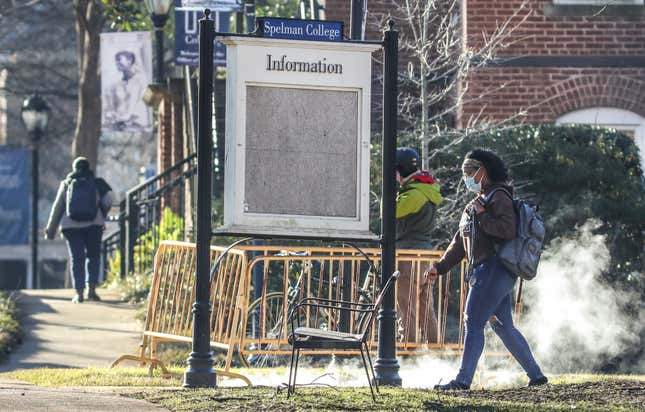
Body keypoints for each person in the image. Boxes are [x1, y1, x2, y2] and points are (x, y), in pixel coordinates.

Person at [427, 149, 547, 390]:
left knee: (472, 322)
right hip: (490, 271)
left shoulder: (498, 197)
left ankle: (462, 382)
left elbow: (507, 230)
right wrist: (439, 268)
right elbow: (460, 242)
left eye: (471, 171)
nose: (467, 177)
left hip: (492, 269)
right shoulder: (478, 201)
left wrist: (481, 216)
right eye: (465, 172)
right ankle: (537, 377)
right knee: (503, 326)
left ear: (485, 171)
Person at [45, 157, 114, 303]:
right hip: (93, 225)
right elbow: (109, 199)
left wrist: (51, 231)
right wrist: (101, 212)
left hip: (71, 227)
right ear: (88, 167)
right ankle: (92, 290)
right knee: (93, 256)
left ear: (74, 168)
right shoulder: (97, 183)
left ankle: (79, 293)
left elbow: (57, 208)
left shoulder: (66, 183)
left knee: (77, 258)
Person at [395, 147, 443, 344]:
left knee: (406, 305)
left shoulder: (414, 194)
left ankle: (408, 350)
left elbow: (389, 212)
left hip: (408, 255)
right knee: (425, 306)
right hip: (425, 253)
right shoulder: (426, 189)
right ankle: (435, 349)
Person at [103, 50, 149, 132]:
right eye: (116, 60)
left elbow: (140, 103)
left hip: (136, 126)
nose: (117, 62)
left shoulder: (140, 80)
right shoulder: (116, 84)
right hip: (117, 125)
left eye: (119, 59)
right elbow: (109, 106)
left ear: (129, 61)